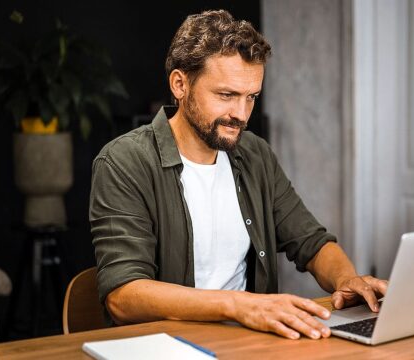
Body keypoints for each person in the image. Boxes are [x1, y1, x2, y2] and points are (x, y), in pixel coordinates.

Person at [89, 9, 387, 340]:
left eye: (251, 98)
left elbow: (311, 242)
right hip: (165, 347)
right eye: (226, 95)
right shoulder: (124, 162)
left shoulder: (254, 153)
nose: (241, 115)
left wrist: (347, 279)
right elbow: (123, 295)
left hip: (248, 342)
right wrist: (238, 305)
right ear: (180, 84)